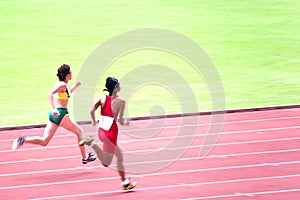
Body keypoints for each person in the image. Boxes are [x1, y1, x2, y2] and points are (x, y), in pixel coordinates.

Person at [12, 64, 96, 164]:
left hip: (54, 116)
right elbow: (49, 93)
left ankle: (23, 140)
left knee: (44, 141)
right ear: (67, 75)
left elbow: (67, 93)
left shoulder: (62, 85)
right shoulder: (62, 85)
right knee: (79, 132)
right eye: (71, 72)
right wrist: (54, 108)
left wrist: (76, 86)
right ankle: (85, 157)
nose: (72, 74)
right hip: (61, 114)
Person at [79, 77, 137, 190]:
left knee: (119, 156)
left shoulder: (102, 98)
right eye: (119, 84)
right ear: (116, 88)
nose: (120, 86)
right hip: (111, 134)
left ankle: (125, 182)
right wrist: (127, 122)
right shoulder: (121, 102)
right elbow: (119, 120)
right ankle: (92, 145)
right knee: (107, 162)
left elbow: (91, 111)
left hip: (102, 132)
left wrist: (94, 120)